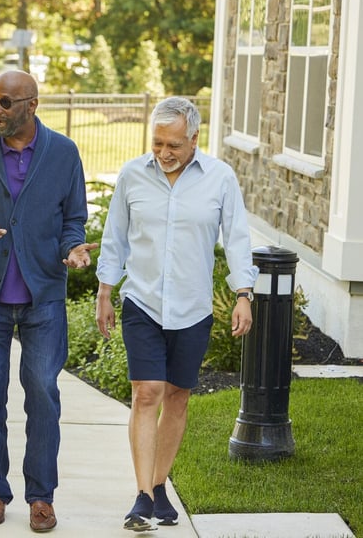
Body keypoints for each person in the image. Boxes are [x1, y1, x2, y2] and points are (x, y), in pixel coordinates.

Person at [94, 96, 257, 532]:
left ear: (194, 139)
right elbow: (115, 239)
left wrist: (244, 294)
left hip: (192, 307)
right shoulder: (132, 175)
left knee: (177, 397)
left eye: (174, 145)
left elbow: (237, 239)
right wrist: (105, 291)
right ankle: (143, 496)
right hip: (143, 302)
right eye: (157, 143)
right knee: (147, 392)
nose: (164, 153)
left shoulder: (220, 179)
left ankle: (160, 484)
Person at [0, 70, 96, 532]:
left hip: (43, 297)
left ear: (32, 104)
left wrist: (73, 248)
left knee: (44, 398)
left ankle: (41, 497)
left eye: (7, 102)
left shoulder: (64, 153)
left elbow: (74, 218)